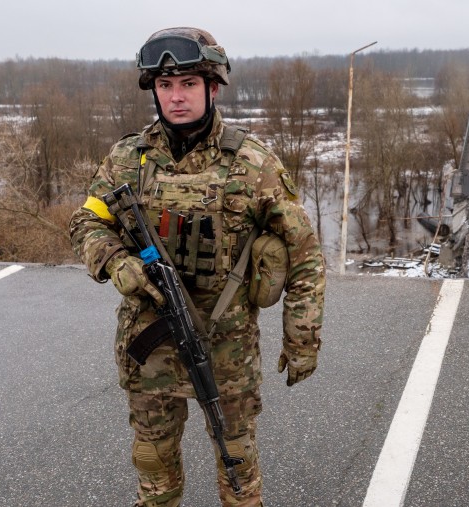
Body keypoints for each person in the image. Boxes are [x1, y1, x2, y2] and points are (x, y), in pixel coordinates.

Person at [69, 27, 325, 507]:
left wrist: (302, 340)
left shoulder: (252, 163)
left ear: (212, 87)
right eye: (165, 86)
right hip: (150, 348)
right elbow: (87, 221)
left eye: (187, 84)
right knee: (154, 472)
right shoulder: (128, 158)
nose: (176, 96)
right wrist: (116, 262)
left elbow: (305, 254)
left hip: (225, 351)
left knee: (238, 474)